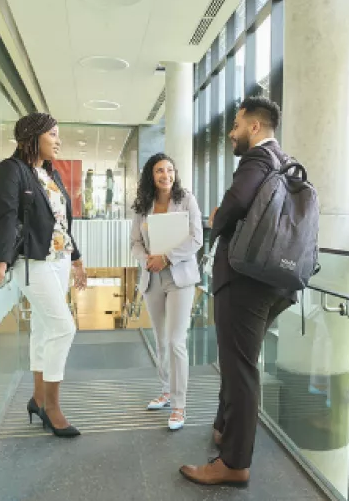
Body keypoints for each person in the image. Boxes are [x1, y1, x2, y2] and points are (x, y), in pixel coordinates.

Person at [180, 96, 295, 486]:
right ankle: (223, 428)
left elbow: (236, 203)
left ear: (255, 127)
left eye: (236, 125)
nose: (231, 132)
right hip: (277, 281)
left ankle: (233, 462)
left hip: (245, 280)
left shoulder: (258, 160)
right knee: (239, 362)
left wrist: (218, 217)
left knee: (240, 369)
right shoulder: (286, 162)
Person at [0, 112, 87, 438]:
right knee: (63, 327)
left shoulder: (48, 173)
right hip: (32, 263)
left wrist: (77, 258)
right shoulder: (12, 170)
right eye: (53, 134)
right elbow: (8, 217)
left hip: (57, 259)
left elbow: (60, 222)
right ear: (34, 135)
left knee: (43, 330)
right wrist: (1, 262)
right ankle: (52, 407)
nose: (58, 140)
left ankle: (37, 399)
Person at [130, 153, 202, 431]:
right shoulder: (142, 206)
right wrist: (146, 258)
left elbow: (196, 238)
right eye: (160, 170)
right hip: (152, 279)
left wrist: (167, 258)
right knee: (160, 340)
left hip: (179, 278)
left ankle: (180, 405)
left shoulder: (187, 199)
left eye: (170, 170)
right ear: (151, 175)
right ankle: (166, 391)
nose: (166, 175)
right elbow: (135, 242)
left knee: (176, 341)